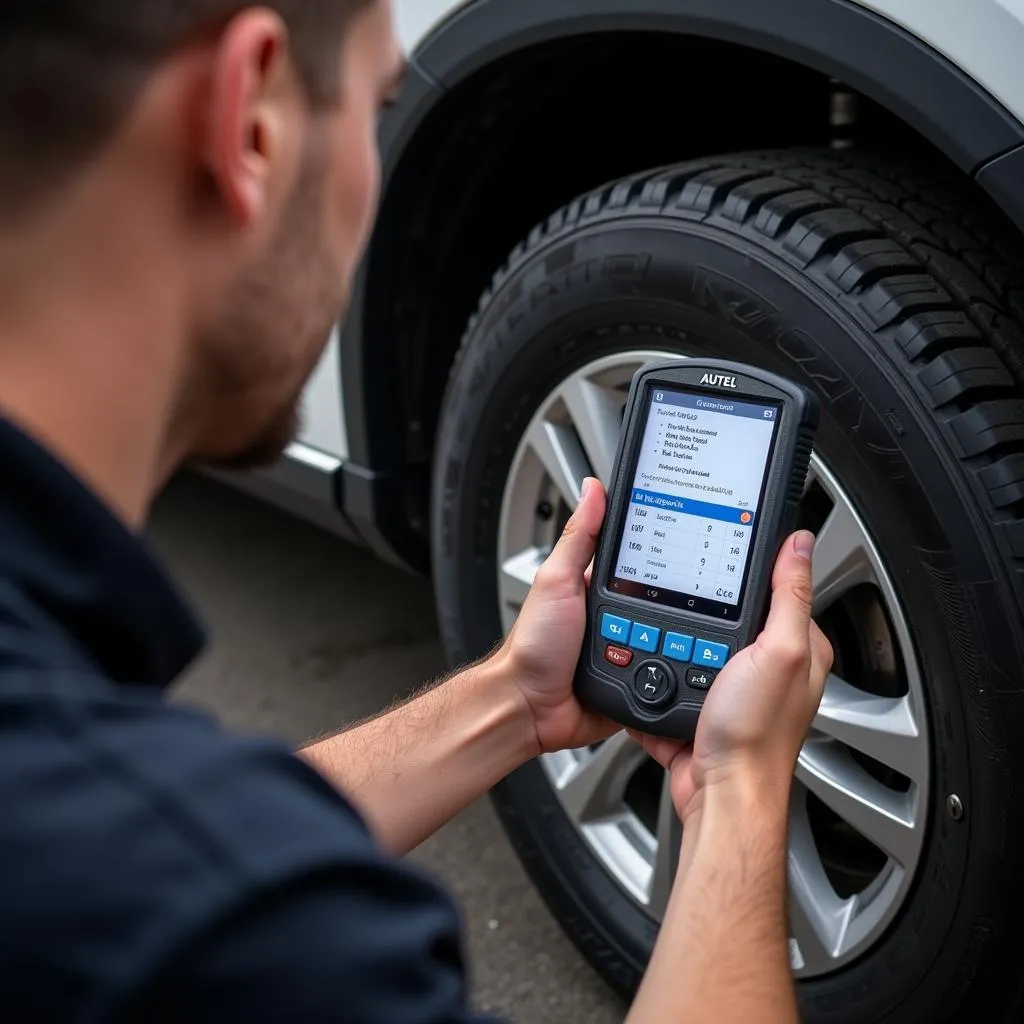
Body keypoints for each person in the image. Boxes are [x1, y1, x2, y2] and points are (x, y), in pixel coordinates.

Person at [0, 1, 833, 1021]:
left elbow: (125, 849)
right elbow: (175, 877)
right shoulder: (244, 945)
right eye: (376, 107)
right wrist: (742, 792)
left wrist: (516, 699)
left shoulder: (95, 831)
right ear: (250, 122)